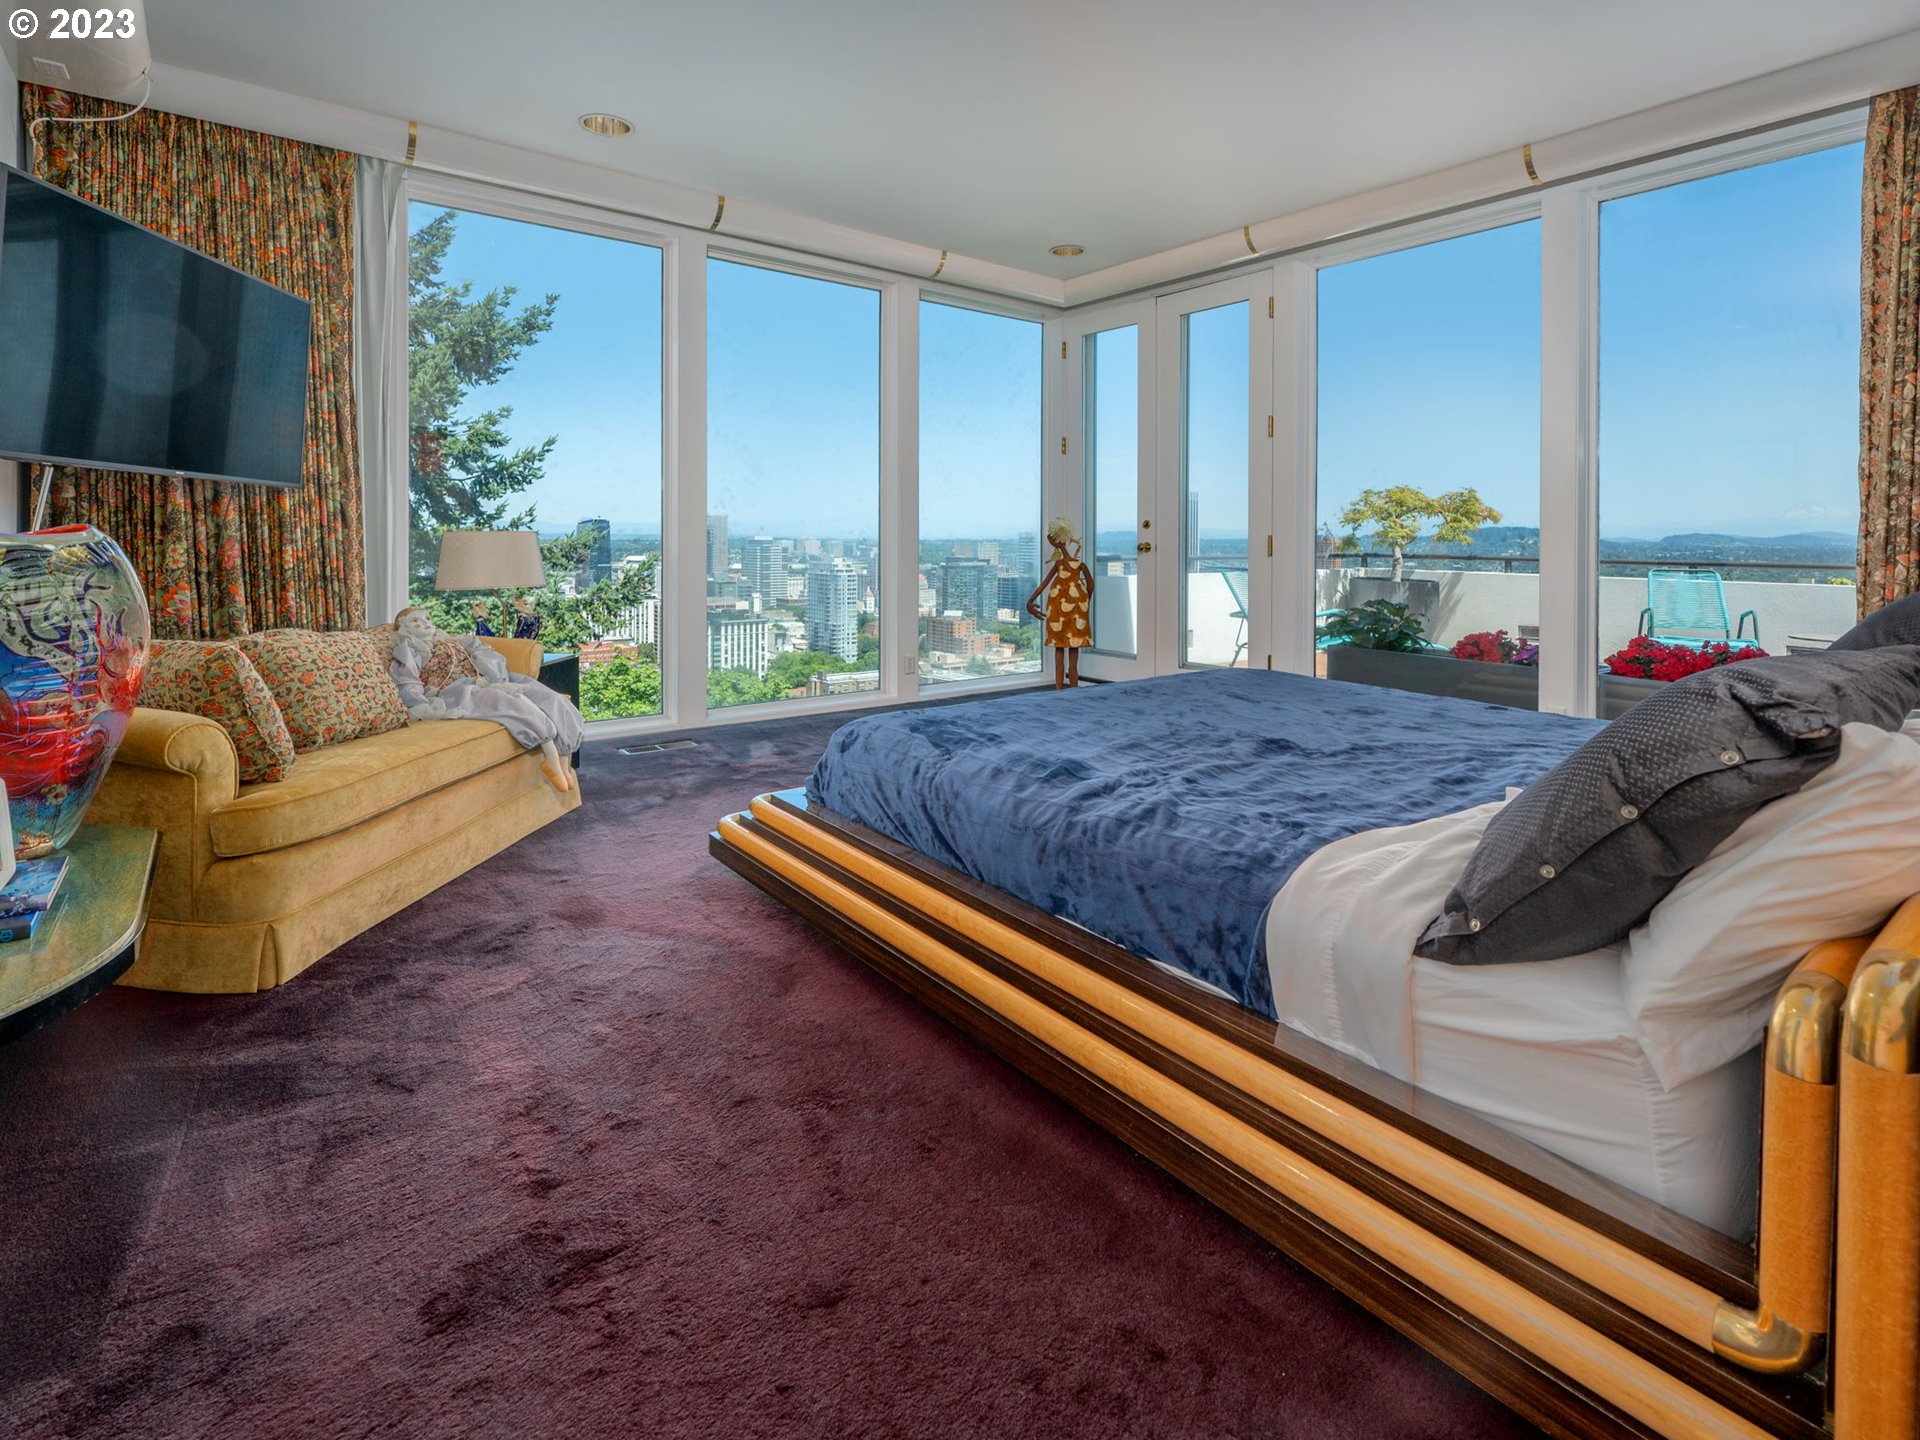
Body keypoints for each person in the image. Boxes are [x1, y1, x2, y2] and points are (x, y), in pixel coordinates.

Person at [1024, 517, 1094, 689]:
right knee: (1070, 648)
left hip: (1063, 607)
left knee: (1061, 648)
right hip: (1069, 607)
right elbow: (1090, 584)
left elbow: (1044, 583)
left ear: (1057, 541)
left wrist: (1031, 600)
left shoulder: (1063, 564)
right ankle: (1069, 689)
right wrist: (1084, 601)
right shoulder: (1076, 564)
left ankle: (1060, 689)